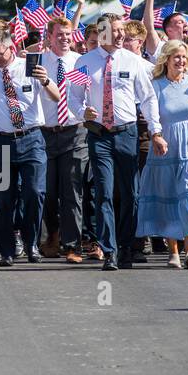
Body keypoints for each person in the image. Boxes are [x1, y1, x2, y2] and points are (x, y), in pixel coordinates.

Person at [77, 14, 166, 270]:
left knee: (131, 194)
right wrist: (83, 110)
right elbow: (73, 97)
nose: (119, 36)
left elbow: (148, 98)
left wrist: (156, 131)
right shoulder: (85, 62)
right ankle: (110, 250)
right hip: (99, 134)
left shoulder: (133, 61)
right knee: (104, 192)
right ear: (102, 32)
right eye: (114, 31)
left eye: (121, 31)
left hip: (127, 133)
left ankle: (127, 245)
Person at [0, 24, 57, 267]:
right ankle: (6, 249)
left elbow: (56, 96)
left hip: (31, 138)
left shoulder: (30, 66)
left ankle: (31, 243)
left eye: (0, 54)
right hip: (0, 139)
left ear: (12, 48)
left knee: (34, 192)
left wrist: (46, 80)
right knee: (3, 198)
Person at [136, 40, 188, 268]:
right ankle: (174, 252)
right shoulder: (155, 85)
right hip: (165, 147)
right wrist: (156, 136)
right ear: (167, 59)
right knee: (170, 199)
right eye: (176, 57)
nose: (181, 61)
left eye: (184, 57)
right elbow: (151, 116)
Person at [38, 16, 89, 263]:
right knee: (47, 191)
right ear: (49, 37)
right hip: (45, 132)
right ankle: (52, 236)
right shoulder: (39, 63)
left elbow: (87, 94)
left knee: (72, 190)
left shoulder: (80, 63)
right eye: (59, 35)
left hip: (74, 131)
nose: (65, 39)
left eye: (68, 35)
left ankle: (72, 246)